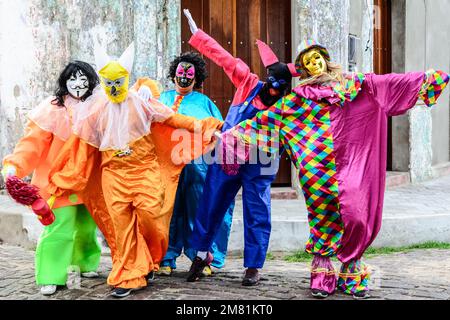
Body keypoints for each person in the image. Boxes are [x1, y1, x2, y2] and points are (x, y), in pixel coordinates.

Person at [227, 39, 450, 298]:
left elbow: (388, 83)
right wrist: (233, 135)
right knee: (322, 217)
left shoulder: (355, 85)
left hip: (354, 165)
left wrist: (423, 80)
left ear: (326, 59)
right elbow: (268, 120)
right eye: (307, 62)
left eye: (317, 57)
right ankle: (322, 270)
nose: (314, 63)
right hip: (316, 172)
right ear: (304, 70)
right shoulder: (297, 100)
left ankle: (351, 266)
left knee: (356, 214)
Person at [46, 41, 223, 298]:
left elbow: (174, 119)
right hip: (113, 175)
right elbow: (80, 144)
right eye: (109, 82)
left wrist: (207, 127)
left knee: (153, 219)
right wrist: (67, 173)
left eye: (119, 81)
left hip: (144, 171)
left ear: (126, 79)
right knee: (122, 227)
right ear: (103, 82)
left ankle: (150, 258)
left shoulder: (143, 102)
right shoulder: (95, 110)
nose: (114, 87)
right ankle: (129, 275)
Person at [182, 9, 298, 286]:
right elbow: (224, 58)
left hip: (262, 159)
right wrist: (198, 36)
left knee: (257, 208)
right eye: (272, 83)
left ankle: (253, 265)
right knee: (211, 201)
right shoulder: (248, 83)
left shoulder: (288, 105)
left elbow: (298, 133)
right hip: (229, 153)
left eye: (279, 87)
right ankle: (201, 254)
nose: (273, 90)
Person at [1, 61, 102, 296]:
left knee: (87, 228)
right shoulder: (52, 111)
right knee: (59, 229)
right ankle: (50, 274)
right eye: (73, 78)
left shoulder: (98, 109)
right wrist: (14, 166)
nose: (78, 84)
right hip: (59, 184)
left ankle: (85, 263)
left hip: (89, 182)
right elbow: (32, 145)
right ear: (64, 82)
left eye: (83, 79)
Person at [157, 52, 234, 277]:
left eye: (189, 73)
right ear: (173, 74)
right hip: (165, 166)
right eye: (180, 71)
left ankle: (199, 257)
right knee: (166, 210)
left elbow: (221, 131)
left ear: (196, 77)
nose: (184, 76)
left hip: (198, 168)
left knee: (198, 211)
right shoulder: (161, 99)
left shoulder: (205, 103)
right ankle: (165, 257)